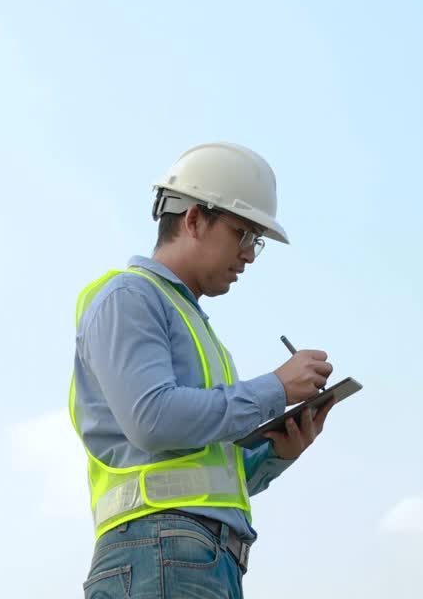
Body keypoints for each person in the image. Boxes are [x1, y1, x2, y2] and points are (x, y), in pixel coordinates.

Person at [71, 142, 333, 598]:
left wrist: (276, 454)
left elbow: (196, 475)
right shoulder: (130, 298)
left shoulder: (190, 323)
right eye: (243, 234)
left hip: (191, 554)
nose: (249, 254)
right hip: (160, 549)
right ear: (193, 219)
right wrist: (275, 388)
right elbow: (153, 421)